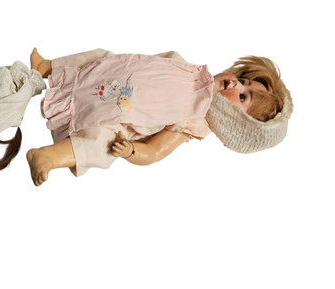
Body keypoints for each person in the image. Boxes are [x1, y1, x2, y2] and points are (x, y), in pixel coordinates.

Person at [26, 48, 293, 186]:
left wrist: (131, 150)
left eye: (243, 97)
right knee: (101, 56)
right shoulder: (191, 70)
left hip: (112, 116)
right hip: (109, 78)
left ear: (235, 121)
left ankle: (48, 156)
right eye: (243, 80)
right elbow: (151, 63)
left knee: (101, 145)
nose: (236, 84)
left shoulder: (192, 121)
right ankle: (46, 66)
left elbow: (155, 152)